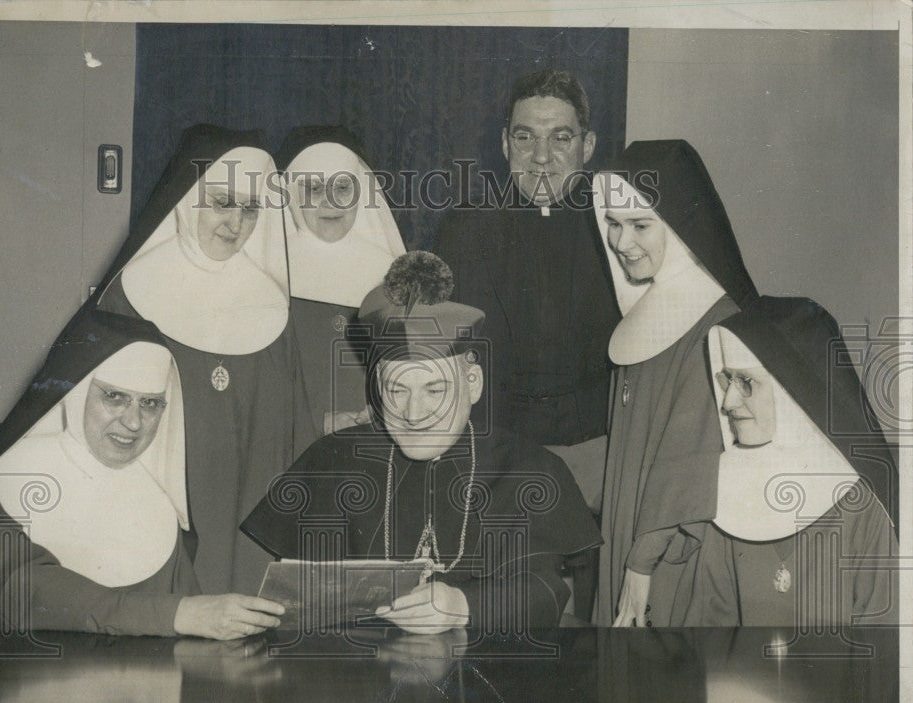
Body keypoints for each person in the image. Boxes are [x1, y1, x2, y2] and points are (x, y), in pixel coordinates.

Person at [242, 251, 602, 634]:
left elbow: (544, 592)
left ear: (474, 384)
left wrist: (461, 604)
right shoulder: (334, 459)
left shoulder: (528, 468)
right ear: (377, 390)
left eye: (435, 390)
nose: (414, 414)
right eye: (397, 390)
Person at [0, 310, 283, 639]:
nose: (134, 423)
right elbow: (25, 592)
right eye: (114, 397)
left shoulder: (158, 498)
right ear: (75, 393)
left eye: (150, 403)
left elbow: (191, 623)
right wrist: (180, 614)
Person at [95, 124, 316, 595]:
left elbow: (293, 439)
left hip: (247, 536)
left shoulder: (273, 308)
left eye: (250, 209)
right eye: (222, 203)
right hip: (155, 525)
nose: (236, 225)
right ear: (189, 197)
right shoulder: (129, 296)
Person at [433, 69, 620, 621]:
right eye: (525, 137)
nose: (541, 156)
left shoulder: (619, 228)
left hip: (598, 453)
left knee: (588, 623)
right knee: (504, 613)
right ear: (503, 143)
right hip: (499, 456)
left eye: (560, 138)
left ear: (587, 146)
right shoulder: (463, 228)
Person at [590, 140, 759, 627]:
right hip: (629, 531)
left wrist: (640, 564)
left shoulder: (716, 322)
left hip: (670, 550)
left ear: (682, 227)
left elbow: (690, 460)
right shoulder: (646, 311)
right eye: (614, 224)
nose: (622, 243)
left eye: (641, 225)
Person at [681, 296, 898, 626]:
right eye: (726, 379)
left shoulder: (863, 505)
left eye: (746, 382)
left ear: (792, 391)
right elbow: (710, 633)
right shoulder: (726, 490)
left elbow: (881, 647)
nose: (727, 400)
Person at [275, 125, 406, 435]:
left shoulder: (391, 273)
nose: (331, 202)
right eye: (315, 189)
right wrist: (315, 424)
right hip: (292, 445)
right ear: (293, 194)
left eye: (343, 188)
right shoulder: (270, 270)